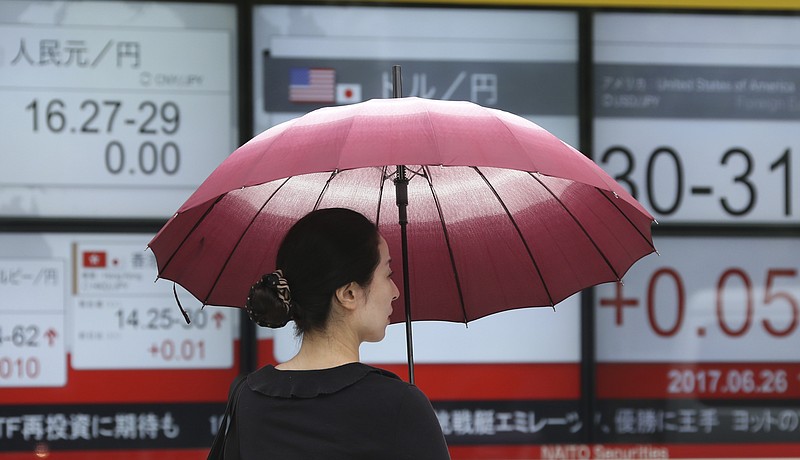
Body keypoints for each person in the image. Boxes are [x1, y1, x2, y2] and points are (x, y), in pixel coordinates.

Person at [223, 207, 450, 459]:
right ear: (348, 294)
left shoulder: (249, 398)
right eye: (387, 274)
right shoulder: (399, 405)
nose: (395, 291)